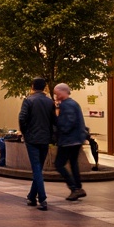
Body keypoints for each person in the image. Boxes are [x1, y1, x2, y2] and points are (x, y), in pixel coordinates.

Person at [18, 77, 55, 210]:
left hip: (32, 139)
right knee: (38, 167)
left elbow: (22, 118)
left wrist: (25, 132)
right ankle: (31, 197)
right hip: (45, 139)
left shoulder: (28, 100)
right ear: (44, 87)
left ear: (33, 86)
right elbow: (54, 121)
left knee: (36, 168)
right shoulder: (50, 102)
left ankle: (43, 198)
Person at [54, 83, 88, 201]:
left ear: (63, 92)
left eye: (57, 93)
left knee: (59, 164)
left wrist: (58, 129)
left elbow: (68, 122)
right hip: (77, 139)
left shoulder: (67, 105)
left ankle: (74, 188)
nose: (56, 96)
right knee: (73, 164)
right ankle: (78, 187)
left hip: (68, 140)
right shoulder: (74, 104)